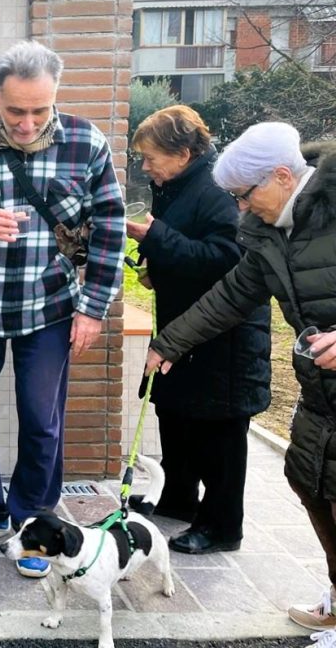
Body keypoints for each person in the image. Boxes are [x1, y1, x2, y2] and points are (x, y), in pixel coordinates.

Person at [0, 40, 125, 579]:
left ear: (55, 96)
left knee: (42, 420)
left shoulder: (87, 143)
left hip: (52, 308)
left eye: (40, 109)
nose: (28, 122)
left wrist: (92, 309)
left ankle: (31, 518)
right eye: (16, 110)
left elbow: (109, 230)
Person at [142, 123, 336, 639]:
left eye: (245, 197)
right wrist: (168, 343)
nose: (241, 209)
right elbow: (230, 295)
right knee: (312, 485)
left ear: (280, 175)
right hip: (321, 391)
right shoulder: (270, 232)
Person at [125, 105, 270, 554]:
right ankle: (178, 497)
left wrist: (152, 239)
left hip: (223, 338)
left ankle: (223, 525)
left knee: (218, 433)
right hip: (181, 329)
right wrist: (156, 265)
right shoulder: (176, 186)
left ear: (184, 153)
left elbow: (229, 263)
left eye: (151, 158)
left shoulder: (219, 191)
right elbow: (187, 249)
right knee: (177, 414)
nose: (145, 167)